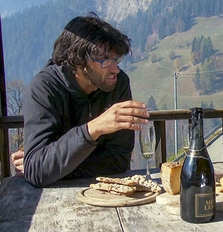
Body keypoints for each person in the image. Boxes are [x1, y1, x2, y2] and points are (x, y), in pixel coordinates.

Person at [10, 12, 150, 187]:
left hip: (105, 195)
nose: (115, 69)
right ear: (79, 60)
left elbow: (118, 161)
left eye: (116, 59)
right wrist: (92, 129)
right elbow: (38, 171)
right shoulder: (43, 90)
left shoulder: (118, 84)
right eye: (106, 60)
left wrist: (54, 166)